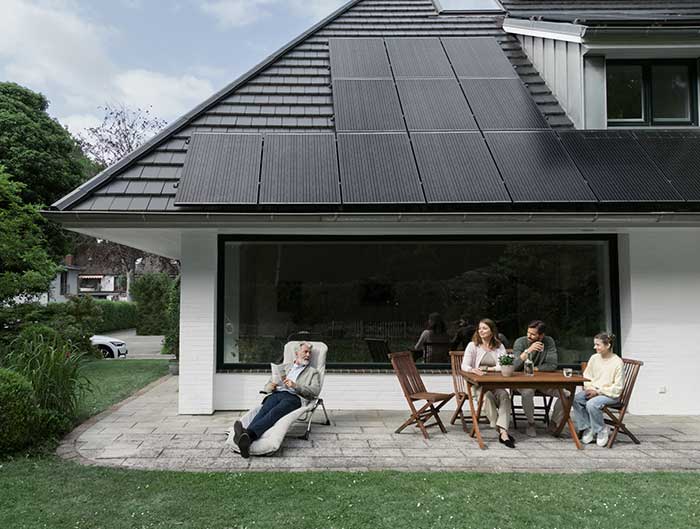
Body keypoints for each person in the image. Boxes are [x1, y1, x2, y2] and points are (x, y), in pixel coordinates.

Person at [232, 342, 320, 458]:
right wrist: (271, 386)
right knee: (263, 411)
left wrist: (295, 386)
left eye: (309, 353)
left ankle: (246, 435)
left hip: (294, 397)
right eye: (305, 352)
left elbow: (315, 391)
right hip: (276, 393)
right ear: (297, 353)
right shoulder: (284, 367)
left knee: (274, 413)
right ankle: (246, 439)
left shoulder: (312, 372)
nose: (308, 355)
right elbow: (267, 387)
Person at [461, 318, 516, 448]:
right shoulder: (472, 346)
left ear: (492, 331)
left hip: (495, 384)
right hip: (476, 385)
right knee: (486, 397)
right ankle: (502, 431)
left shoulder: (499, 346)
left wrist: (487, 369)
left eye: (484, 328)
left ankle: (502, 430)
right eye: (479, 328)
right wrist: (472, 369)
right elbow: (464, 365)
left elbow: (502, 365)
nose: (481, 331)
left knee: (504, 396)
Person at [512, 320, 564, 437]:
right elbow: (514, 366)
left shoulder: (548, 342)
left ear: (541, 336)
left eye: (533, 334)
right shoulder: (520, 342)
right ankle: (531, 423)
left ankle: (554, 422)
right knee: (528, 392)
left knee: (566, 395)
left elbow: (552, 365)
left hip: (542, 381)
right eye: (528, 333)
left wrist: (532, 369)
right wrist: (528, 351)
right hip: (523, 382)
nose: (529, 336)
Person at [572, 332, 623, 447]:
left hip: (610, 395)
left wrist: (598, 392)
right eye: (595, 344)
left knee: (592, 404)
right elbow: (587, 377)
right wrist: (590, 389)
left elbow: (617, 387)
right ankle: (588, 427)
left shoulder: (617, 362)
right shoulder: (594, 358)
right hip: (593, 391)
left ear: (608, 345)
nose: (595, 347)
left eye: (598, 345)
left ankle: (601, 429)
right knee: (576, 399)